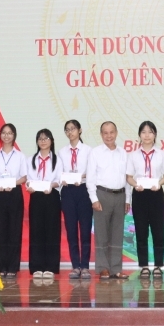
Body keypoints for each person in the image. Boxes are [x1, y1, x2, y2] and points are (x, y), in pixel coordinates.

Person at [86, 121, 131, 280]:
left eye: (111, 132)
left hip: (120, 195)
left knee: (117, 234)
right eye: (105, 133)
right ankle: (103, 268)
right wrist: (94, 199)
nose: (109, 136)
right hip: (102, 195)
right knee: (102, 234)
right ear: (101, 135)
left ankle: (116, 269)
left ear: (116, 133)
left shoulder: (123, 153)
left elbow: (127, 178)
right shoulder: (95, 153)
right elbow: (90, 178)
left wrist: (128, 199)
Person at [126, 120, 164, 278]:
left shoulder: (161, 154)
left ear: (155, 134)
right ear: (139, 135)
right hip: (139, 194)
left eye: (150, 132)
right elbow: (129, 177)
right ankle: (144, 266)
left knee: (158, 232)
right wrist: (135, 185)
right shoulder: (133, 155)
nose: (147, 135)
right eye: (143, 132)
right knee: (141, 232)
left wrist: (159, 183)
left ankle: (158, 266)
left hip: (156, 194)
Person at [0, 123, 26, 278]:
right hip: (0, 194)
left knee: (14, 230)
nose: (6, 136)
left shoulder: (20, 156)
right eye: (4, 133)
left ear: (14, 136)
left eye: (10, 133)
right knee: (0, 230)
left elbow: (24, 177)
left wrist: (11, 184)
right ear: (0, 135)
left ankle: (12, 267)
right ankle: (1, 266)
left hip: (14, 194)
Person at [26, 129, 62, 278]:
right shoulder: (31, 159)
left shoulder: (58, 159)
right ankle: (37, 266)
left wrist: (51, 185)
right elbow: (28, 179)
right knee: (36, 231)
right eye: (40, 139)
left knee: (52, 231)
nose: (43, 141)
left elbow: (59, 179)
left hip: (51, 196)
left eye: (46, 138)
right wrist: (30, 186)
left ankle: (50, 267)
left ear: (51, 141)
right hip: (36, 196)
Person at [60, 119, 92, 279]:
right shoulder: (62, 152)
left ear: (80, 130)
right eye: (67, 129)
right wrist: (63, 179)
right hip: (68, 192)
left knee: (85, 230)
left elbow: (93, 171)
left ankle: (85, 266)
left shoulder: (88, 150)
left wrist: (81, 176)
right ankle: (75, 266)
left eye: (73, 128)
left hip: (84, 191)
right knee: (71, 230)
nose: (70, 132)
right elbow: (59, 172)